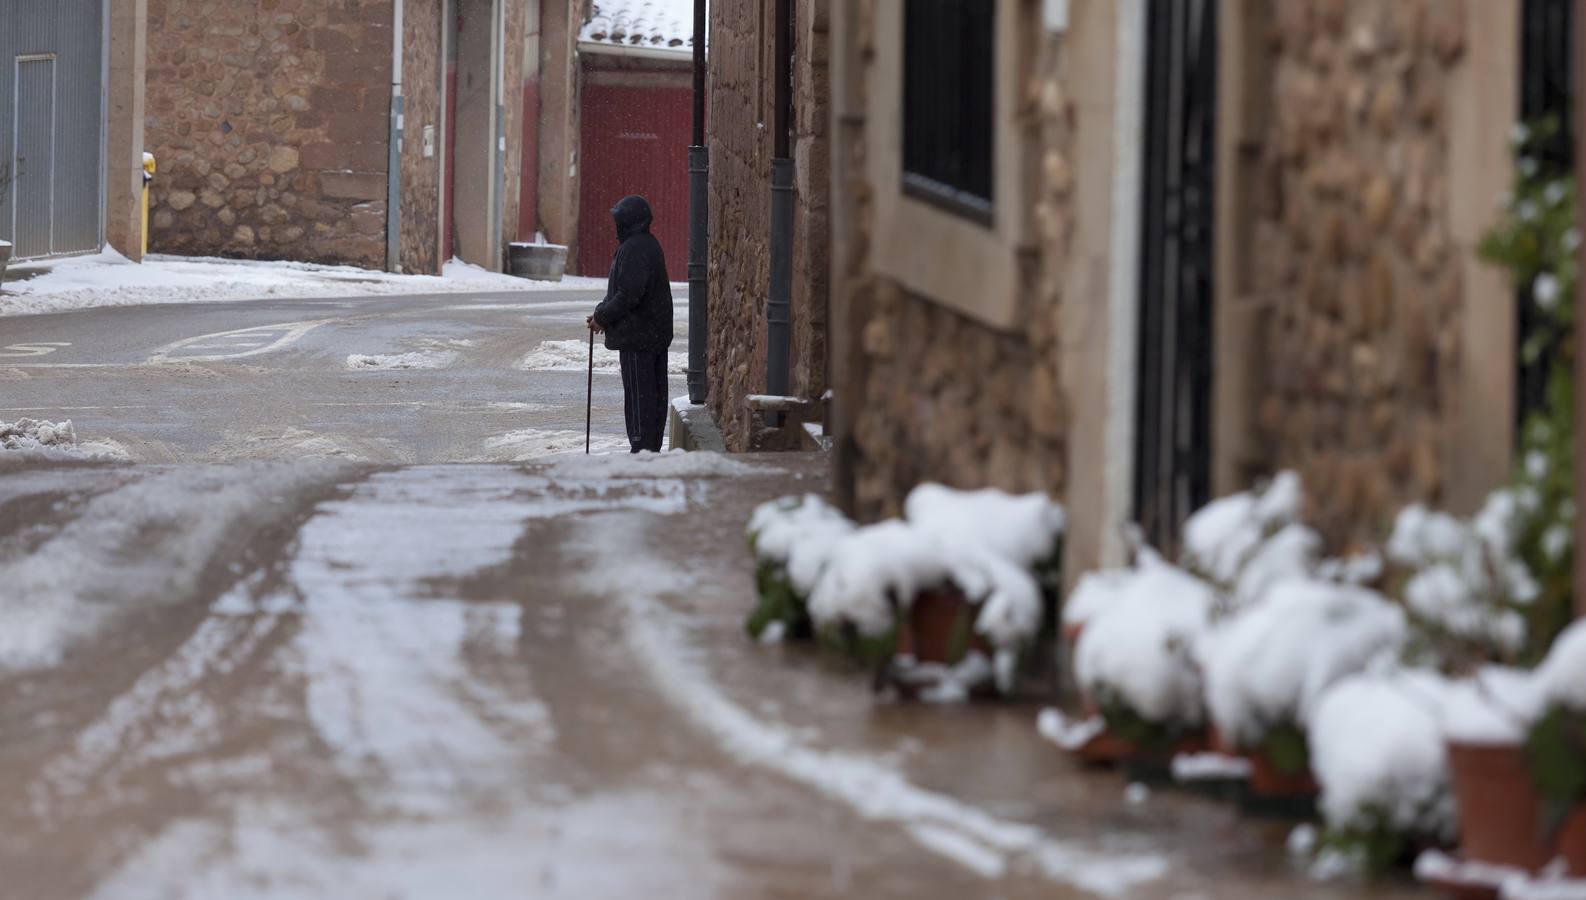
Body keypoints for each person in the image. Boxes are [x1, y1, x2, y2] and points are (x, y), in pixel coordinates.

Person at [587, 195, 674, 453]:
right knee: (652, 395)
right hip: (652, 334)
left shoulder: (635, 248)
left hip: (639, 337)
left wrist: (603, 317)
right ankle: (649, 446)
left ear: (629, 222)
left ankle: (642, 448)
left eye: (619, 219)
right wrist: (601, 314)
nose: (616, 225)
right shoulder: (645, 244)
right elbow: (623, 291)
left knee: (640, 397)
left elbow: (628, 294)